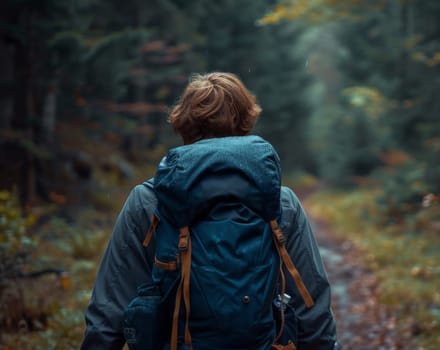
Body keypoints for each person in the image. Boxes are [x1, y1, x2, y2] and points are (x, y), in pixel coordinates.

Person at [81, 72, 340, 350]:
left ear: (183, 124)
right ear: (245, 121)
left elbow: (110, 308)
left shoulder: (148, 201)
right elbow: (311, 302)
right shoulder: (280, 202)